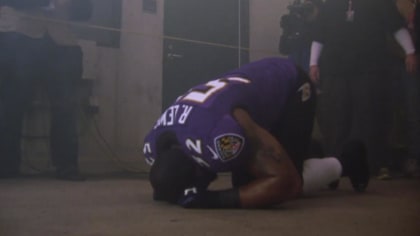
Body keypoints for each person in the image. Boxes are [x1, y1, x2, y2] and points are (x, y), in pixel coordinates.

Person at [142, 57, 370, 209]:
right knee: (245, 179)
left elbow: (286, 183)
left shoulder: (217, 135)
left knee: (274, 184)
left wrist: (214, 200)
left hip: (291, 84)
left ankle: (348, 161)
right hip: (252, 87)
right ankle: (307, 151)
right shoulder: (155, 143)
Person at [308, 0, 417, 178]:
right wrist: (313, 63)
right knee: (336, 119)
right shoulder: (331, 5)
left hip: (370, 68)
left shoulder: (379, 3)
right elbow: (319, 35)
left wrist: (410, 52)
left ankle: (374, 164)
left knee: (371, 118)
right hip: (336, 69)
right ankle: (336, 165)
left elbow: (396, 27)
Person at [0, 0, 92, 180]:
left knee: (65, 106)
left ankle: (67, 166)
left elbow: (86, 12)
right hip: (19, 37)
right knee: (12, 105)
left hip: (63, 43)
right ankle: (6, 165)